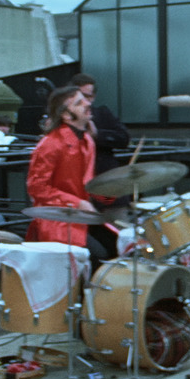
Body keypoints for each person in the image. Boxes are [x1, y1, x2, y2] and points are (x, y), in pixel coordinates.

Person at [26, 86, 107, 266]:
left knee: (118, 246)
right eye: (79, 102)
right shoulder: (50, 144)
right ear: (66, 115)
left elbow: (86, 183)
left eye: (85, 99)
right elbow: (37, 188)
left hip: (81, 217)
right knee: (99, 256)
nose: (87, 104)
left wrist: (113, 192)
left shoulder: (87, 140)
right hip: (58, 222)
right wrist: (77, 203)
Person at [69, 73, 131, 258]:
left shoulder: (102, 113)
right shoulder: (67, 121)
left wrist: (98, 135)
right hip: (81, 194)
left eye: (88, 97)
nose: (85, 102)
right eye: (80, 97)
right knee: (90, 249)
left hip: (107, 187)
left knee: (119, 239)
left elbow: (123, 138)